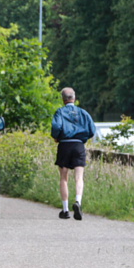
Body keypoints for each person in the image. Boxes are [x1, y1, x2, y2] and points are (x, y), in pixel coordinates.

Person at [50, 87, 96, 220]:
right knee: (79, 177)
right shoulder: (83, 112)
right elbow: (92, 129)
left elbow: (56, 127)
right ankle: (78, 201)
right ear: (74, 98)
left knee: (63, 178)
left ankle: (65, 210)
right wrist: (84, 137)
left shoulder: (59, 112)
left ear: (63, 99)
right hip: (78, 145)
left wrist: (56, 137)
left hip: (64, 144)